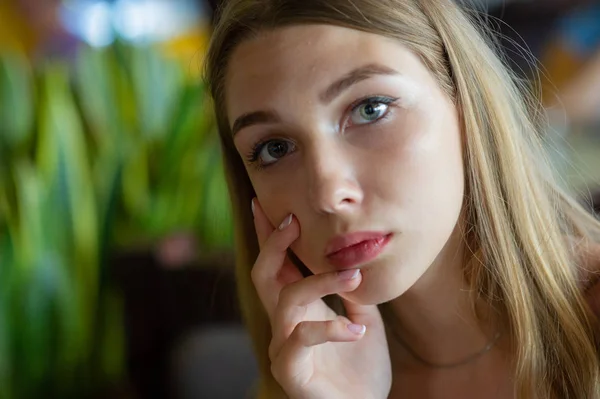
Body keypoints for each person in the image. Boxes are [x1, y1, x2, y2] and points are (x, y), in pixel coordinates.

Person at [204, 0, 600, 397]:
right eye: (274, 148)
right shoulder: (309, 378)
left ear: (465, 105)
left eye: (370, 109)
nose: (328, 193)